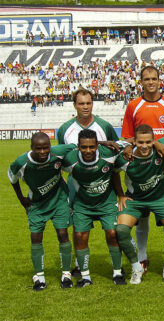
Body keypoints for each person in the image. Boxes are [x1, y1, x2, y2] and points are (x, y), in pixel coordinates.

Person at [121, 65, 164, 274]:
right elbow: (127, 137)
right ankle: (142, 257)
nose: (150, 82)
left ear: (159, 81)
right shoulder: (133, 106)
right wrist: (154, 143)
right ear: (141, 81)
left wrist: (160, 145)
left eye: (154, 78)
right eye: (146, 79)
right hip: (141, 172)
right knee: (142, 217)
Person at [58, 87, 119, 276]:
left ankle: (116, 266)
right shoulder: (65, 129)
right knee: (79, 227)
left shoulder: (104, 126)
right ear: (74, 105)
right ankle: (78, 264)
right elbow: (63, 156)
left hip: (103, 186)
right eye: (81, 103)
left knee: (112, 230)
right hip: (77, 185)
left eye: (89, 103)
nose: (85, 107)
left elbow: (115, 150)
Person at [114, 124, 164, 284]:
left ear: (154, 140)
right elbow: (114, 172)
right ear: (134, 142)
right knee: (121, 230)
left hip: (161, 197)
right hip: (135, 199)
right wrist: (120, 195)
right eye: (140, 142)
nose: (144, 146)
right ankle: (136, 267)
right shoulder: (126, 157)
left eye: (148, 142)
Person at [8, 133, 76, 291]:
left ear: (50, 146)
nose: (43, 151)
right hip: (37, 204)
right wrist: (21, 199)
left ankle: (66, 274)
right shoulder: (22, 162)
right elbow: (13, 179)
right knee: (36, 237)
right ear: (31, 148)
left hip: (59, 200)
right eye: (38, 148)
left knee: (62, 234)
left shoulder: (58, 152)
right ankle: (40, 277)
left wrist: (105, 142)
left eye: (46, 147)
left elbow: (78, 145)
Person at [62, 129, 125, 287]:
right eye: (84, 147)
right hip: (83, 204)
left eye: (92, 147)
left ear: (97, 145)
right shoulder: (70, 159)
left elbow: (130, 143)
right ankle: (85, 277)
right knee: (80, 236)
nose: (88, 151)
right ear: (78, 147)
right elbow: (52, 166)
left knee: (112, 233)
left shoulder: (108, 153)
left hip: (107, 202)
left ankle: (118, 273)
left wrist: (112, 144)